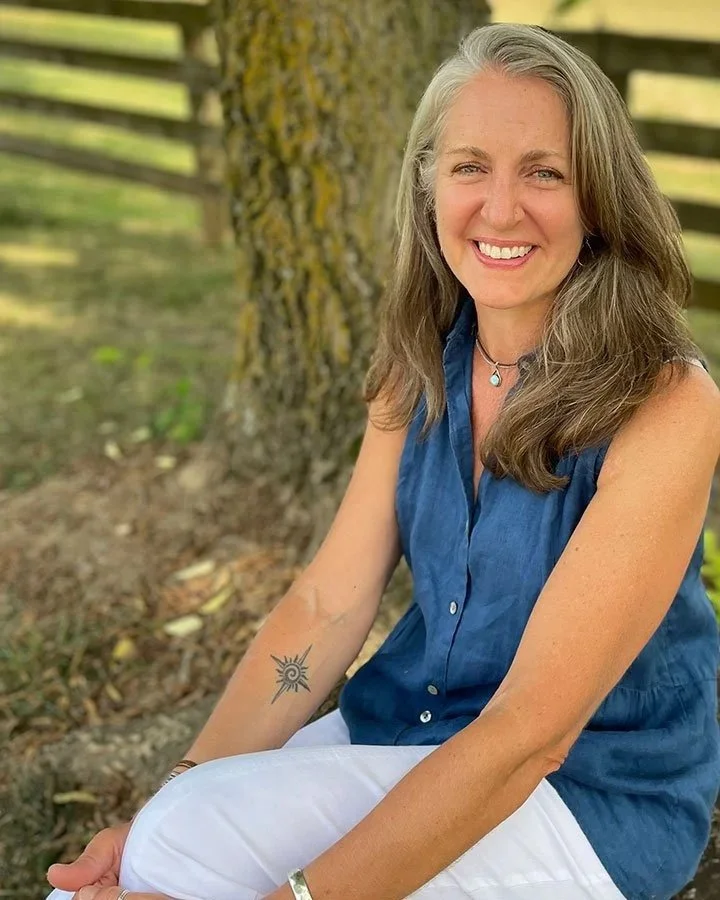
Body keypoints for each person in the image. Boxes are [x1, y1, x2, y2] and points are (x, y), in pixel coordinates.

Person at [46, 21, 720, 900]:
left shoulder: (665, 403)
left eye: (544, 172)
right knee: (161, 845)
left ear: (596, 198)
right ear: (429, 184)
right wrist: (162, 805)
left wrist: (298, 898)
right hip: (402, 730)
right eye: (470, 166)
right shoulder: (420, 359)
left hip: (585, 803)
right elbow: (328, 601)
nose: (502, 208)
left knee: (184, 854)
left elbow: (529, 734)